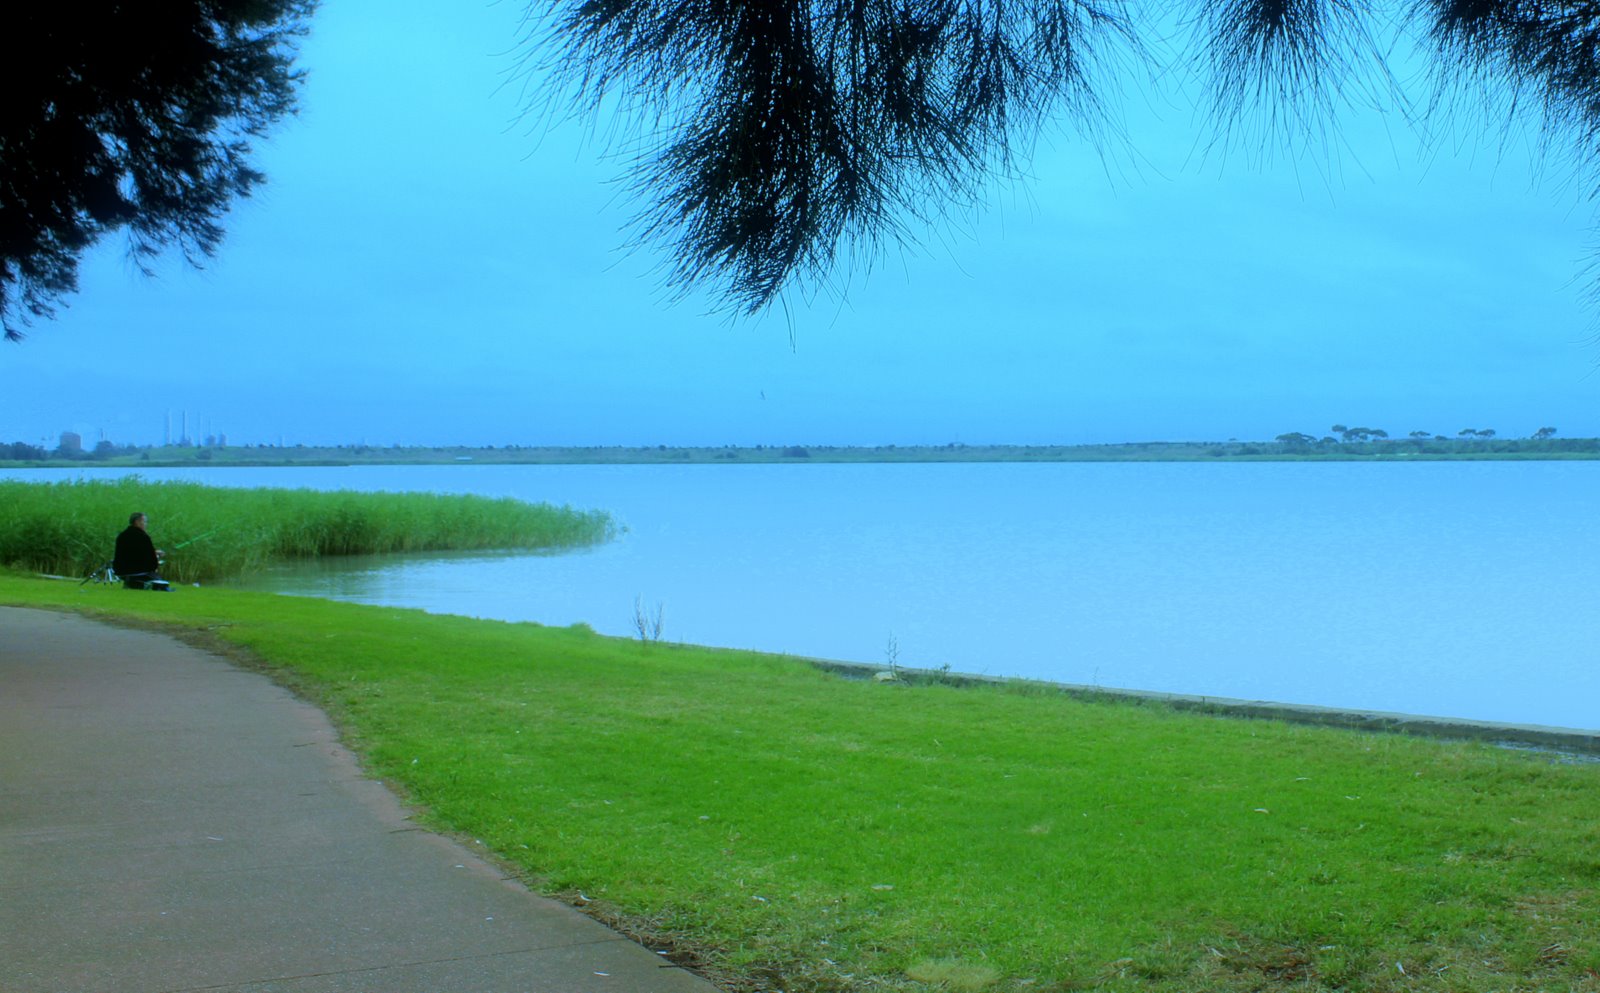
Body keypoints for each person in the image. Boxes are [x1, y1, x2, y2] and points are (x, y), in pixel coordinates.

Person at [113, 512, 167, 589]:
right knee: (158, 580)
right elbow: (150, 559)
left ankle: (131, 583)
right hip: (139, 571)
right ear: (137, 522)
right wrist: (157, 557)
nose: (146, 524)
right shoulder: (143, 537)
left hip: (121, 570)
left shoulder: (122, 535)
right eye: (144, 521)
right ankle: (138, 584)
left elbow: (133, 552)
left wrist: (154, 552)